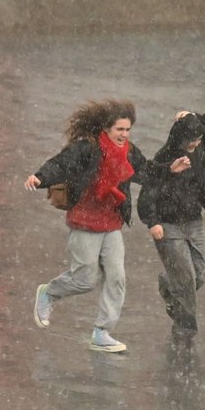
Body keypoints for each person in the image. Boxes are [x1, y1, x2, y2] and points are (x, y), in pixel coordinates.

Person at [24, 99, 185, 352]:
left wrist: (169, 170)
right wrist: (40, 177)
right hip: (85, 222)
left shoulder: (129, 151)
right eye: (120, 129)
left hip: (111, 225)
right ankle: (49, 293)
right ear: (107, 128)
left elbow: (144, 172)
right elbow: (61, 163)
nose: (124, 134)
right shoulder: (88, 148)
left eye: (128, 129)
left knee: (117, 278)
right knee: (85, 280)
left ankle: (102, 332)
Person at [137, 110, 205, 342]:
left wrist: (196, 115)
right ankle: (185, 329)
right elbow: (146, 194)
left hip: (194, 222)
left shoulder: (201, 150)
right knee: (186, 280)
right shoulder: (164, 158)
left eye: (198, 140)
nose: (195, 144)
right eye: (191, 141)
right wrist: (152, 222)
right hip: (167, 227)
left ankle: (168, 286)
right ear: (179, 138)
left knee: (199, 276)